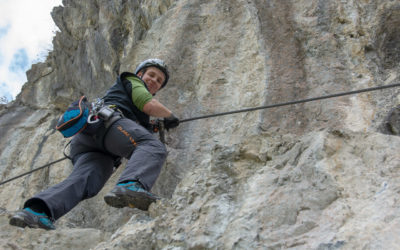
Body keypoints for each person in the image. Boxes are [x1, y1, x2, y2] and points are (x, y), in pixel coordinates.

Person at [9, 58, 179, 230]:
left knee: (87, 180)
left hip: (91, 140)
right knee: (153, 147)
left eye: (159, 81)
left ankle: (37, 211)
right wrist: (170, 116)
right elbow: (147, 104)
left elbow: (135, 128)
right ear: (140, 74)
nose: (154, 81)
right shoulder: (132, 81)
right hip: (108, 125)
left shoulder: (131, 104)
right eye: (152, 75)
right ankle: (131, 184)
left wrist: (152, 126)